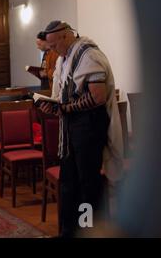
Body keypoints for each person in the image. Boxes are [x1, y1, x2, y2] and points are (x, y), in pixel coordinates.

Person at [39, 20, 123, 237]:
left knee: (88, 184)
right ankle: (69, 231)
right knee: (69, 183)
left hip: (89, 127)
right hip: (72, 128)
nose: (52, 51)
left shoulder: (90, 56)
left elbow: (97, 97)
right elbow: (63, 97)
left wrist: (66, 107)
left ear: (66, 36)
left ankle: (90, 231)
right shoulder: (64, 59)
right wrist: (55, 105)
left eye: (53, 46)